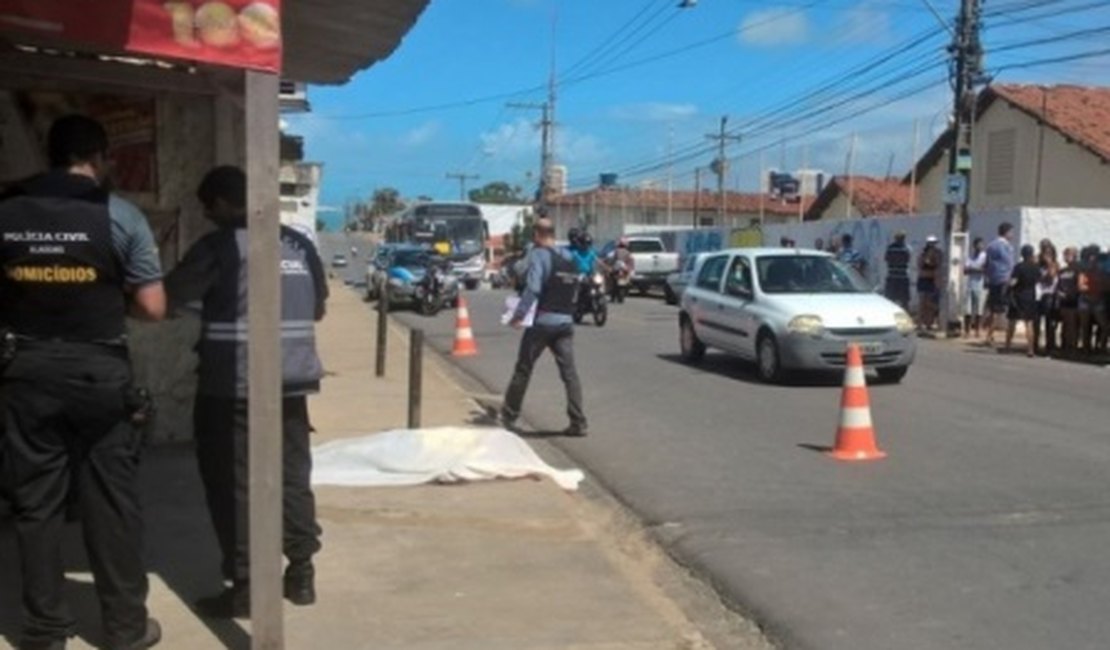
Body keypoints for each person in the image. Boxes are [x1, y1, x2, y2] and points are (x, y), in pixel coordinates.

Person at [0, 115, 165, 650]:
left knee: (36, 502)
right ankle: (123, 628)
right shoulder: (119, 215)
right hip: (99, 373)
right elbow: (152, 307)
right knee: (111, 501)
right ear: (98, 156)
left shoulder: (6, 212)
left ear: (50, 155)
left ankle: (46, 630)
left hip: (25, 371)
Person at [164, 166, 327, 618]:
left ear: (221, 204)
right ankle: (301, 573)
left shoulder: (217, 248)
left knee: (231, 482)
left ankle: (248, 586)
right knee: (292, 475)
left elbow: (165, 300)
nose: (206, 214)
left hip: (231, 385)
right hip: (292, 381)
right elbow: (317, 308)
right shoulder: (299, 245)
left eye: (207, 206)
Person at [500, 217, 587, 437]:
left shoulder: (539, 255)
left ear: (537, 235)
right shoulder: (569, 257)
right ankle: (578, 423)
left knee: (524, 369)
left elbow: (533, 287)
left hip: (542, 323)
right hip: (565, 322)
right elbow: (575, 288)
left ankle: (509, 415)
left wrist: (519, 315)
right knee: (570, 374)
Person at [982, 222, 1016, 346]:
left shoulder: (991, 246)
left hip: (993, 280)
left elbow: (987, 264)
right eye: (1011, 232)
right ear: (1006, 232)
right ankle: (991, 335)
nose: (1012, 235)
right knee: (1001, 310)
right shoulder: (1006, 247)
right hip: (1003, 280)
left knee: (992, 309)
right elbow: (1009, 264)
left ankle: (989, 334)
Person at [1006, 244, 1041, 357]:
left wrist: (1008, 288)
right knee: (1029, 323)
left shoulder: (1019, 267)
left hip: (1018, 296)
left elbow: (1014, 281)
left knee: (1012, 321)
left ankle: (1008, 346)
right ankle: (1030, 349)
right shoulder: (1036, 267)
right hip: (1030, 295)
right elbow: (1039, 280)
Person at [1077, 245, 1108, 355]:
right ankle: (1086, 348)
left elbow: (1105, 285)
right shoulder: (1084, 268)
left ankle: (1101, 346)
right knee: (1085, 326)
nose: (1092, 258)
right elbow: (1080, 286)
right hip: (1086, 300)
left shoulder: (1102, 268)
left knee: (1104, 326)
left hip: (1097, 300)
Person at [1034, 239, 1059, 355]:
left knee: (1049, 321)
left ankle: (1050, 346)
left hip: (1049, 294)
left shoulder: (1055, 264)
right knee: (1036, 321)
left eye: (1049, 253)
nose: (1046, 255)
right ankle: (1034, 345)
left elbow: (1051, 275)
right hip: (1038, 294)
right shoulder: (1037, 263)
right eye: (1044, 252)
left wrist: (1049, 263)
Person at [1055, 246, 1081, 355]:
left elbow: (1078, 285)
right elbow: (1058, 284)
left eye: (1068, 254)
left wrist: (1069, 294)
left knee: (1072, 325)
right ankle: (1064, 346)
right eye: (1064, 254)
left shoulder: (1078, 269)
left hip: (1073, 301)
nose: (1065, 256)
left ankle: (1073, 347)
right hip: (1062, 301)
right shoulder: (1062, 271)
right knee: (1064, 325)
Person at [917, 235, 943, 331]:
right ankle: (920, 323)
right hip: (924, 279)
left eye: (934, 243)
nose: (932, 245)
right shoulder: (922, 253)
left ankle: (929, 322)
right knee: (922, 302)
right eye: (930, 243)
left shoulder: (938, 253)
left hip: (933, 280)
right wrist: (927, 258)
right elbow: (921, 265)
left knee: (930, 302)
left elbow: (938, 264)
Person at [963, 237, 987, 338]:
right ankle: (967, 331)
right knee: (967, 309)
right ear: (974, 246)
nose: (980, 246)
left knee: (979, 309)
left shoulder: (985, 256)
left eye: (981, 244)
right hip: (970, 284)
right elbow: (965, 271)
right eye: (978, 245)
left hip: (980, 285)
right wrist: (976, 269)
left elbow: (984, 270)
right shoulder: (970, 257)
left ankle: (977, 330)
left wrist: (972, 269)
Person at [884, 231, 912, 310]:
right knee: (904, 300)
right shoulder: (907, 248)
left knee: (890, 298)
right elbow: (908, 259)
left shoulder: (890, 248)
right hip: (903, 276)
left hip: (892, 275)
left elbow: (886, 258)